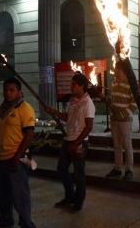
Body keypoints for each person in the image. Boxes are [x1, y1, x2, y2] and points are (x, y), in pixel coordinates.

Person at [0, 77, 36, 228]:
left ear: (19, 91)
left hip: (15, 158)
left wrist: (16, 157)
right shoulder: (2, 108)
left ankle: (26, 224)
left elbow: (29, 134)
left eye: (12, 90)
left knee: (20, 196)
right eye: (6, 90)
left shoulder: (25, 109)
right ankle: (5, 219)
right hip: (1, 157)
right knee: (2, 193)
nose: (8, 93)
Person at [46, 73, 95, 212]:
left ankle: (78, 202)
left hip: (79, 143)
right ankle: (70, 196)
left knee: (79, 173)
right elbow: (68, 118)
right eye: (71, 84)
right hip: (68, 139)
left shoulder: (88, 103)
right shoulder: (73, 100)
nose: (71, 87)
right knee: (62, 169)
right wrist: (54, 112)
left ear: (82, 86)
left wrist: (77, 142)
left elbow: (89, 126)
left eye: (73, 85)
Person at [105, 61, 138, 180]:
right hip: (114, 118)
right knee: (117, 145)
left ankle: (129, 169)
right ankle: (118, 168)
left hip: (125, 120)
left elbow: (134, 103)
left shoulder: (131, 84)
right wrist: (109, 101)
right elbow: (114, 100)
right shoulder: (113, 82)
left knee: (127, 145)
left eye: (117, 69)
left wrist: (124, 114)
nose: (115, 71)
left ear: (123, 70)